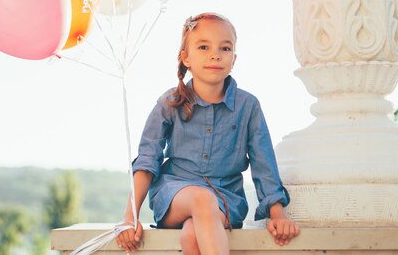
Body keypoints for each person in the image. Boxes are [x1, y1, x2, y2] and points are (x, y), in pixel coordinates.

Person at [116, 13, 300, 255]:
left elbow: (263, 162)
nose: (215, 54)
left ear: (234, 59)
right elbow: (147, 160)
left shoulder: (248, 106)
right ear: (186, 57)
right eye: (203, 46)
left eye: (225, 48)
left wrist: (277, 214)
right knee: (202, 200)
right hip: (174, 195)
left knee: (192, 235)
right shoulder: (169, 103)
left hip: (226, 200)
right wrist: (130, 216)